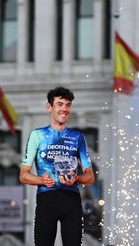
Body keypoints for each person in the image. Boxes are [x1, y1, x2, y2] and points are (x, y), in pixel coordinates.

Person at [19, 86, 94, 246]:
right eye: (60, 104)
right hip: (47, 200)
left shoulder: (77, 137)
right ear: (49, 107)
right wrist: (41, 180)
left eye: (67, 105)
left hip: (72, 201)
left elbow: (90, 176)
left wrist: (77, 178)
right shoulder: (37, 135)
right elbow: (23, 174)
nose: (64, 109)